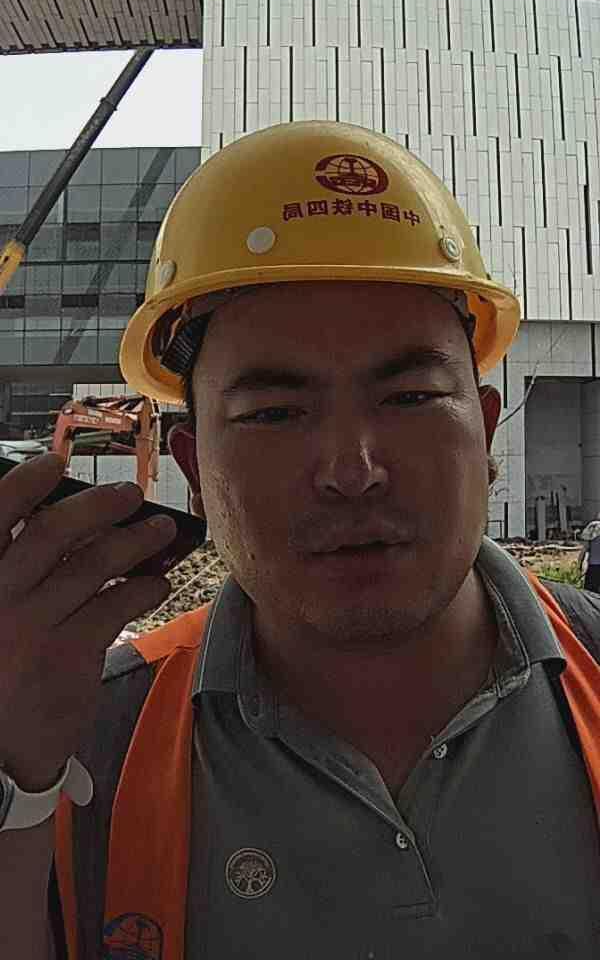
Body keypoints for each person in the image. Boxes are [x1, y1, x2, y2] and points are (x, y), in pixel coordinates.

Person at [0, 122, 599, 960]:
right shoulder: (80, 739)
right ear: (194, 467)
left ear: (486, 430)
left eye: (411, 399)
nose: (353, 472)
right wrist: (17, 787)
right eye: (274, 413)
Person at [578, 513, 600, 592]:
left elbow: (584, 550)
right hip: (594, 566)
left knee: (589, 593)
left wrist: (579, 565)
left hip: (593, 567)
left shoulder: (592, 527)